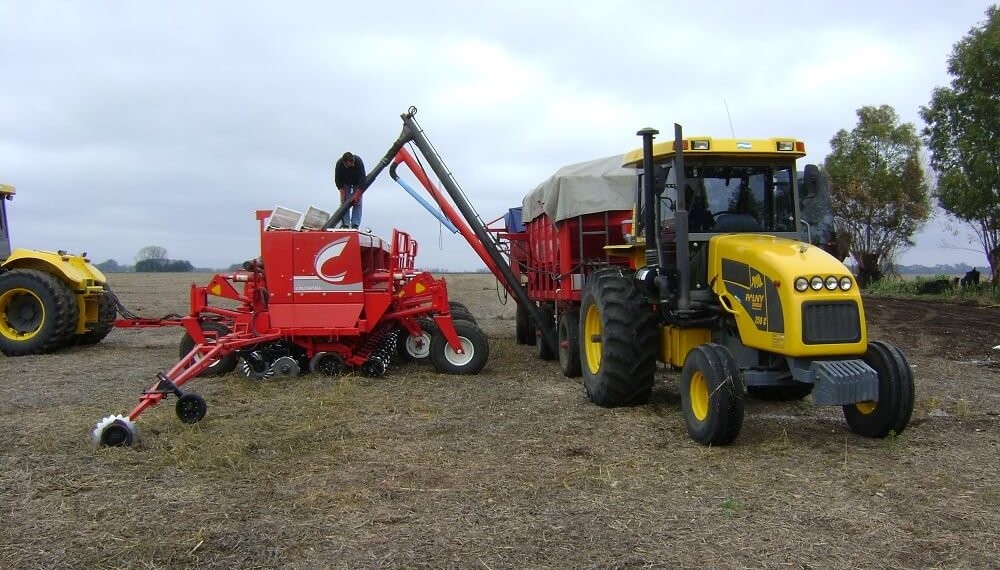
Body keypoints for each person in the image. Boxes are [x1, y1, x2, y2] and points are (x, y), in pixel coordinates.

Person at [334, 152, 366, 228]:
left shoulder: (358, 161)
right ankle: (346, 224)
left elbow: (362, 180)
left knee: (357, 203)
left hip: (357, 182)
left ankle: (355, 224)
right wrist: (342, 195)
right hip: (345, 182)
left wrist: (357, 195)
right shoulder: (339, 165)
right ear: (345, 163)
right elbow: (338, 180)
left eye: (353, 162)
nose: (353, 165)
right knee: (345, 202)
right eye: (350, 164)